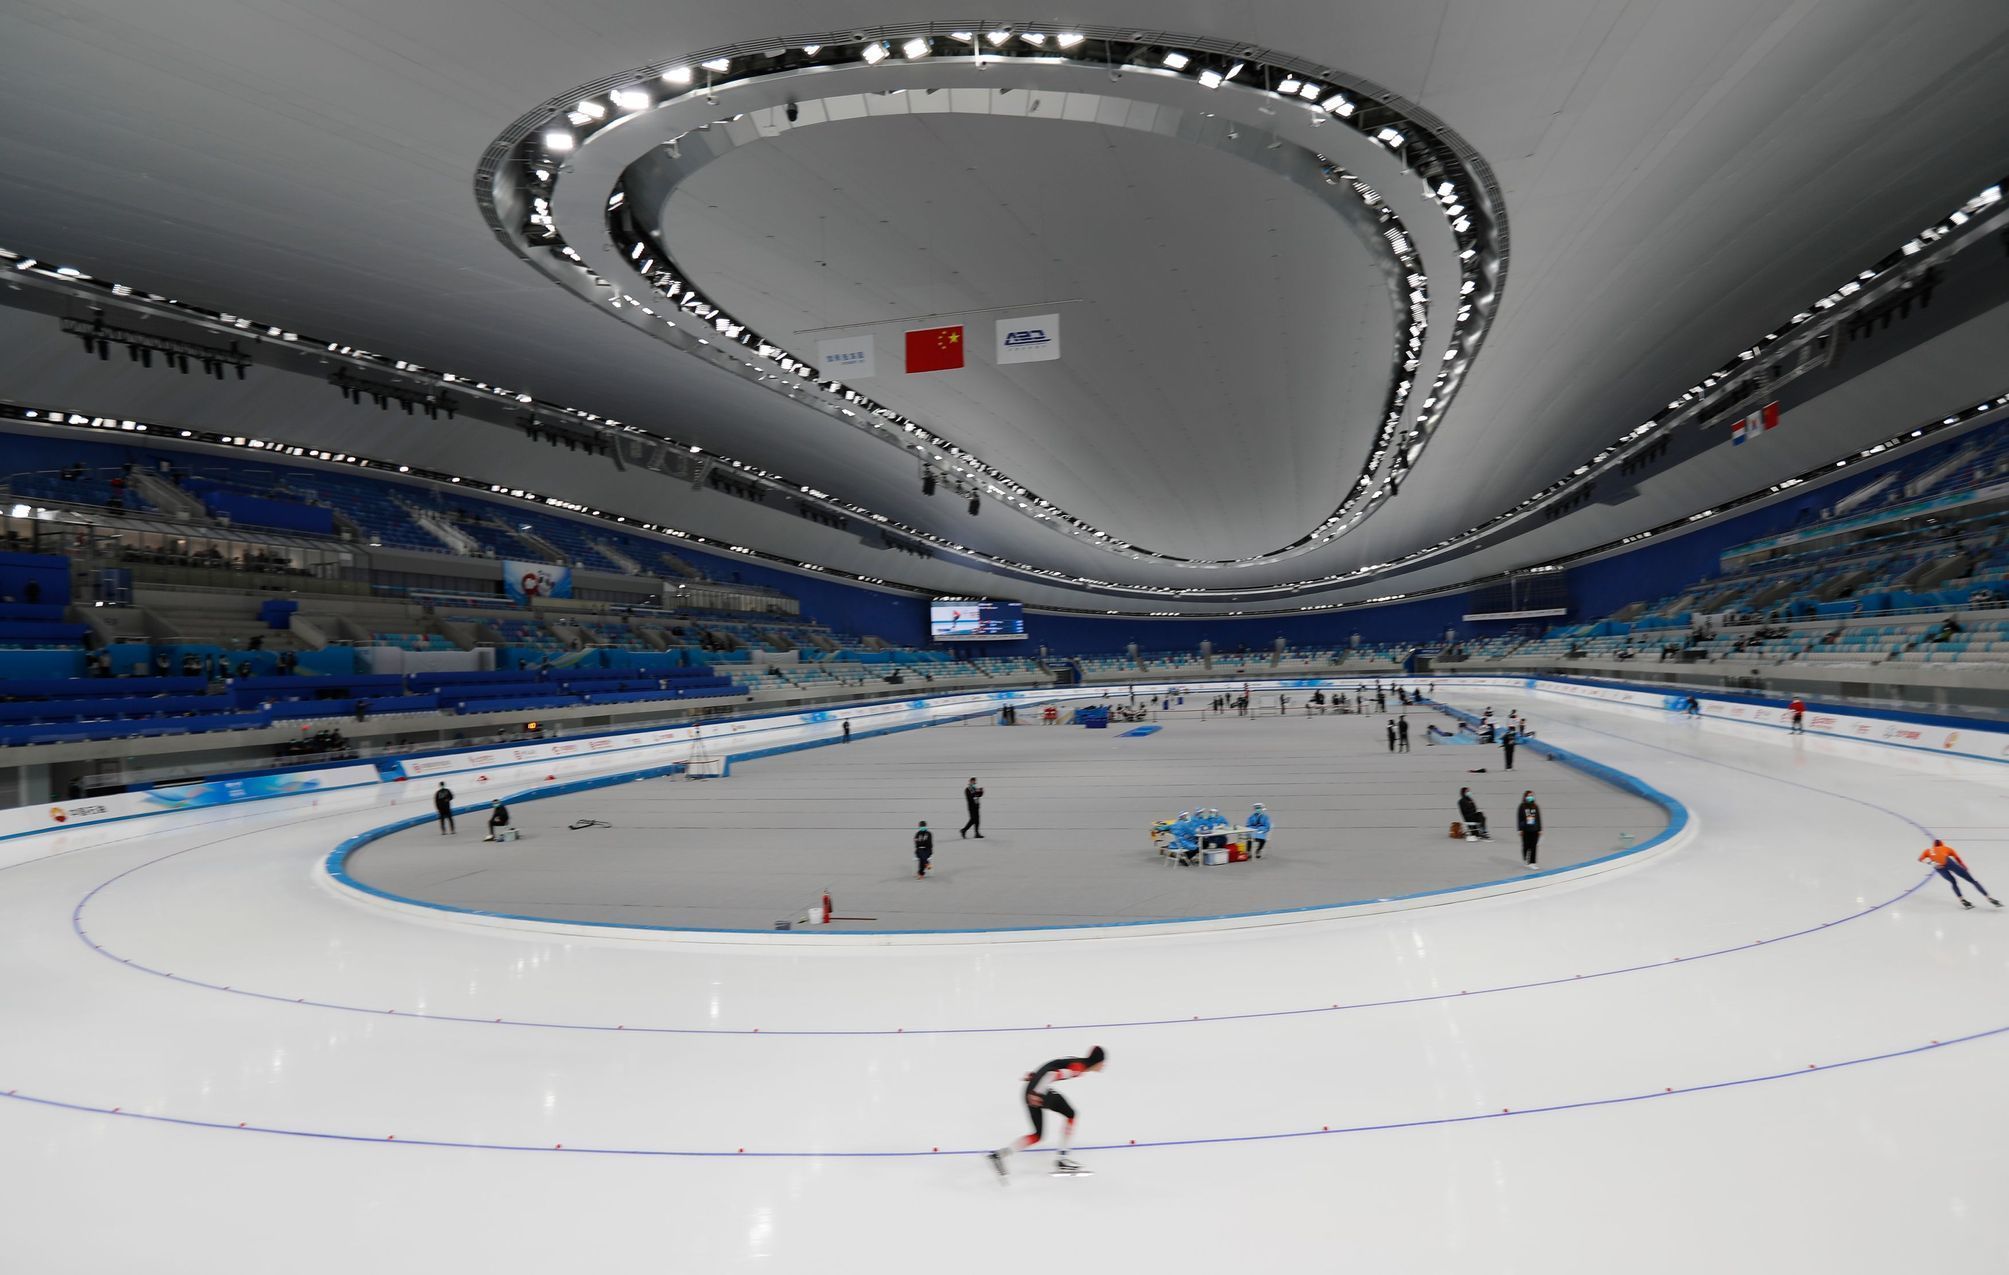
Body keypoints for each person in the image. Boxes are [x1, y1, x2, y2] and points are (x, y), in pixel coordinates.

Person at [989, 1046, 1107, 1179]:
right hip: (1038, 1093)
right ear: (1097, 1062)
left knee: (1038, 1135)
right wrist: (1036, 1091)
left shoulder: (1077, 1061)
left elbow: (1052, 1064)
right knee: (1071, 1114)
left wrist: (1034, 1076)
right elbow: (1052, 1074)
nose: (1104, 1066)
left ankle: (999, 1155)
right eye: (1103, 1062)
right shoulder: (1078, 1068)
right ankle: (1062, 1159)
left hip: (1032, 1090)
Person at [1918, 839, 2001, 909]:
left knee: (1953, 882)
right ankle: (1988, 897)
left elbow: (1920, 859)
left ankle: (1962, 900)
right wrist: (1964, 866)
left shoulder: (1928, 851)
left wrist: (1932, 863)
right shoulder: (1947, 848)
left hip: (1938, 867)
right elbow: (1957, 858)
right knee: (1972, 880)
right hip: (1948, 862)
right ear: (1942, 844)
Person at [1516, 791, 1542, 868]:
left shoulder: (1535, 806)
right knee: (1526, 846)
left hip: (1534, 829)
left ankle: (1532, 862)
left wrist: (1539, 829)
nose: (1530, 797)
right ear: (1525, 797)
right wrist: (1520, 829)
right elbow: (1519, 818)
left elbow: (1538, 818)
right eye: (1529, 796)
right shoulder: (1522, 806)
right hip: (1525, 829)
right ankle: (1525, 858)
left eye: (1532, 796)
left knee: (1534, 846)